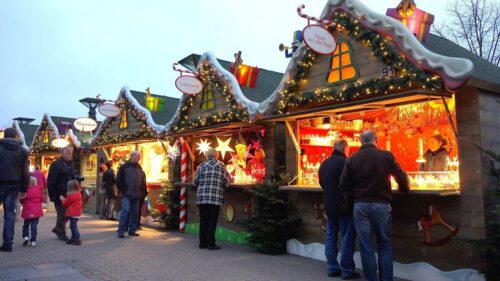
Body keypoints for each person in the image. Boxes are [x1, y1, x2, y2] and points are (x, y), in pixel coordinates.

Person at [340, 130, 409, 281]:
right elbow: (402, 177)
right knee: (384, 244)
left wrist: (355, 197)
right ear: (376, 140)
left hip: (360, 206)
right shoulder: (386, 156)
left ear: (360, 141)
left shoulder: (351, 159)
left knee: (366, 246)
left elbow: (343, 184)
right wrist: (404, 189)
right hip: (381, 205)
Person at [318, 140, 359, 280]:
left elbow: (322, 183)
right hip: (345, 206)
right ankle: (347, 270)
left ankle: (332, 268)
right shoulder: (347, 163)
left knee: (330, 236)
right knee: (347, 237)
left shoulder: (324, 164)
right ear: (344, 148)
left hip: (329, 205)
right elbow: (353, 184)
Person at [193, 149, 230, 250]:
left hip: (202, 197)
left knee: (203, 219)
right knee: (212, 220)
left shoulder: (201, 166)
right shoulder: (221, 166)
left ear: (206, 156)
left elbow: (195, 182)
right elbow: (227, 182)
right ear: (217, 156)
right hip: (215, 198)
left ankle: (202, 243)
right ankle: (211, 244)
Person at [0, 128, 30, 252]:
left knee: (9, 213)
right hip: (14, 185)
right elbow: (25, 172)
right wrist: (24, 188)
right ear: (16, 136)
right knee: (9, 213)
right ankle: (8, 243)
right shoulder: (22, 151)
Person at [47, 146, 76, 241]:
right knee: (62, 213)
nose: (70, 155)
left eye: (71, 153)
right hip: (59, 194)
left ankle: (57, 228)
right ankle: (61, 233)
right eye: (68, 153)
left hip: (69, 194)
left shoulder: (70, 164)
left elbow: (72, 177)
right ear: (62, 153)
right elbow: (51, 181)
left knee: (67, 214)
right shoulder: (56, 164)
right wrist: (53, 195)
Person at [116, 151, 146, 238]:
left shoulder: (139, 167)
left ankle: (132, 230)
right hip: (126, 194)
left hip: (136, 194)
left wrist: (142, 191)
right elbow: (119, 180)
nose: (139, 158)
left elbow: (143, 180)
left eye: (140, 157)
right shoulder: (124, 167)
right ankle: (121, 231)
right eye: (138, 157)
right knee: (126, 210)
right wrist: (123, 190)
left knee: (135, 212)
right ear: (132, 156)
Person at [20, 176, 44, 247]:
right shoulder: (39, 190)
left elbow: (22, 200)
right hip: (36, 212)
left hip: (27, 211)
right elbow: (42, 199)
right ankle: (33, 241)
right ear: (35, 182)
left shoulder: (26, 190)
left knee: (26, 225)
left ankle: (26, 236)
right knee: (34, 226)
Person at [60, 180, 83, 245]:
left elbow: (65, 203)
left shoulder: (71, 195)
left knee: (73, 226)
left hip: (72, 213)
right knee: (72, 225)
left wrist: (62, 199)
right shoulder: (78, 194)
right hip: (77, 212)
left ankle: (77, 239)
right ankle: (73, 238)